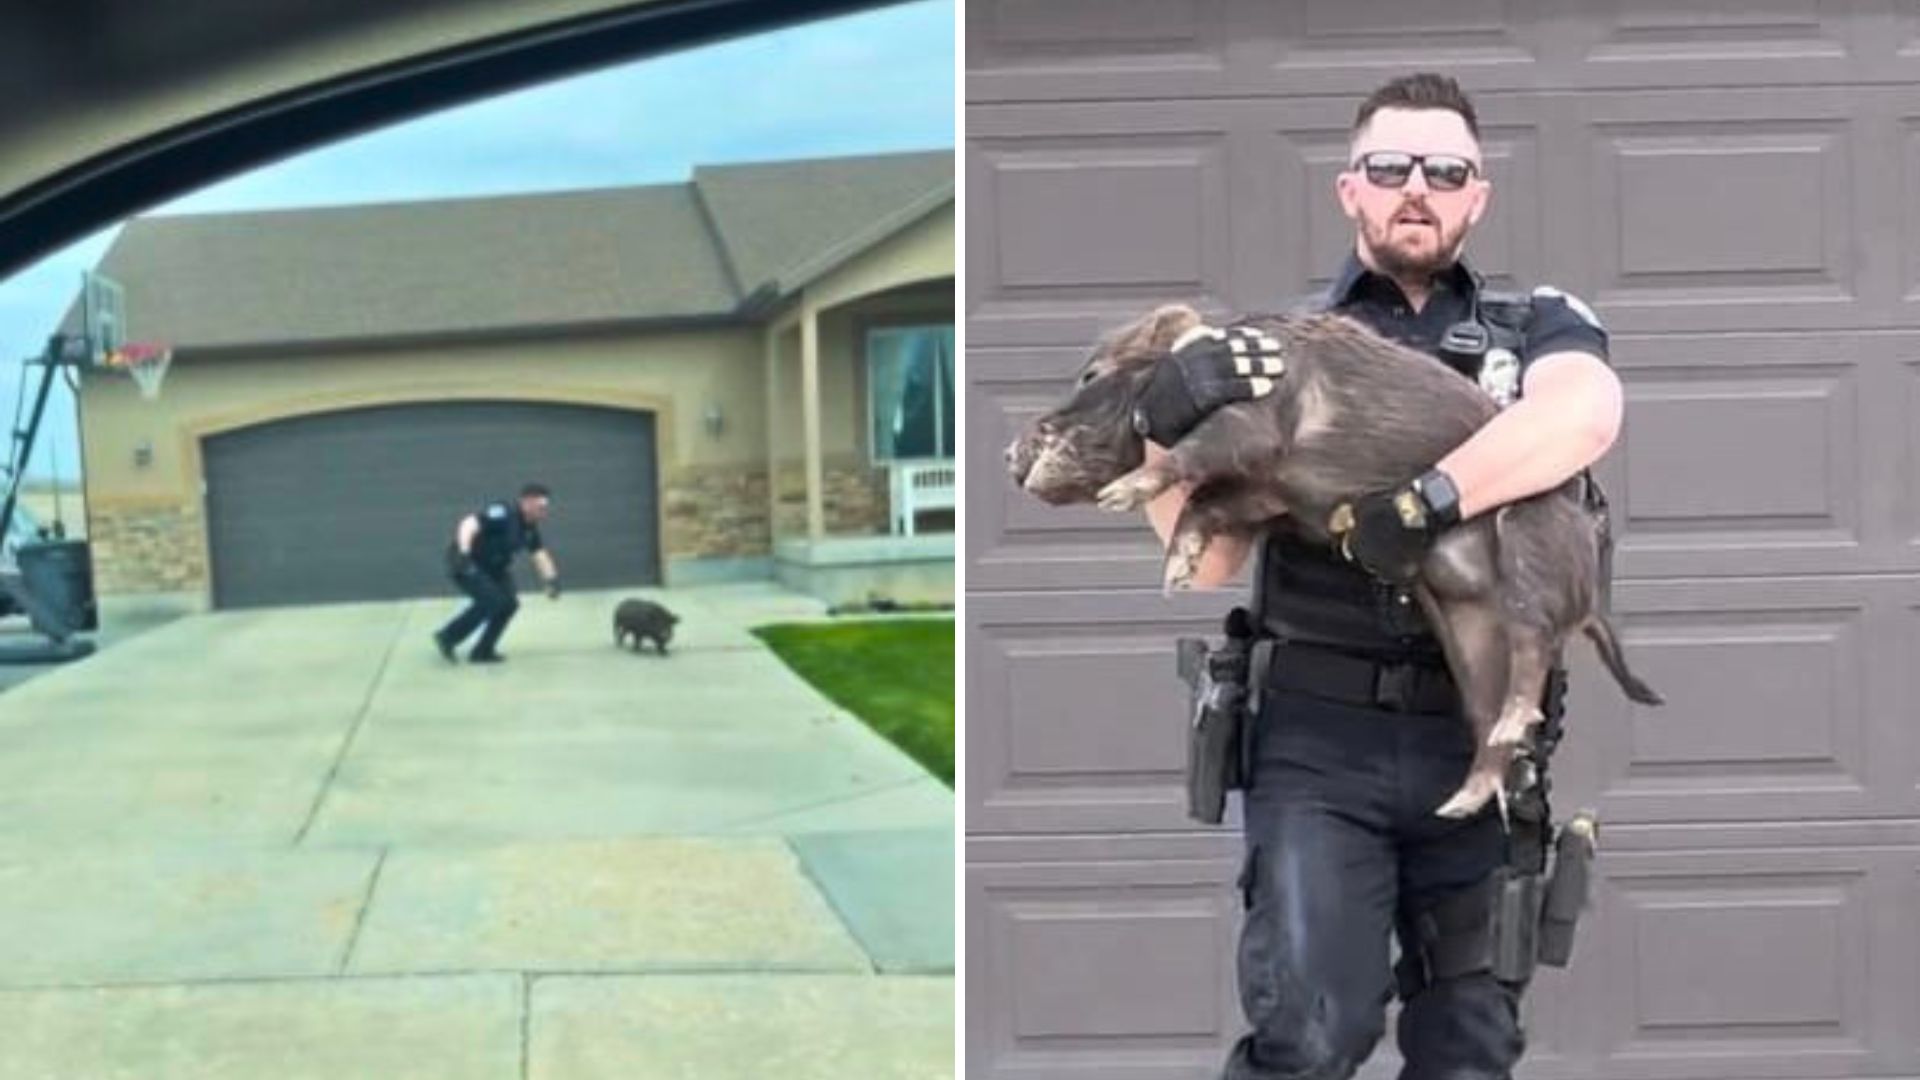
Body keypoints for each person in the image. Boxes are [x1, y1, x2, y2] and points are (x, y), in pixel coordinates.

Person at [1130, 73, 1625, 1080]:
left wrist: (1427, 504)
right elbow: (1214, 554)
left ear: (1476, 196)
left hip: (1481, 736)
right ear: (1348, 189)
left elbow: (1579, 421)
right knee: (1310, 1035)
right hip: (1319, 741)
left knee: (1470, 1049)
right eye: (1390, 167)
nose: (1418, 189)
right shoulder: (1279, 347)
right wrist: (1158, 425)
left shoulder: (1537, 328)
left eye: (1446, 171)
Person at [432, 482, 561, 664]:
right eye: (541, 507)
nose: (544, 512)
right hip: (467, 562)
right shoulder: (504, 512)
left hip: (494, 568)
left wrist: (551, 580)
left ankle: (482, 651)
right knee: (492, 601)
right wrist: (463, 552)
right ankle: (447, 637)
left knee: (509, 604)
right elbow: (469, 523)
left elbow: (539, 554)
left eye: (545, 508)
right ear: (527, 502)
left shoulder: (530, 529)